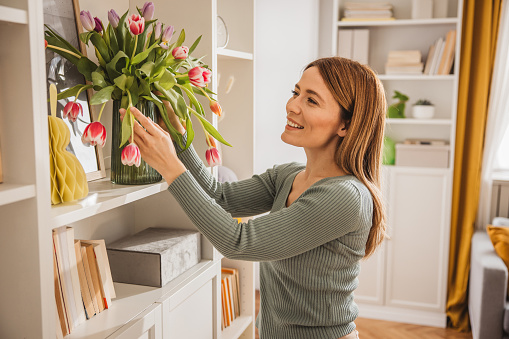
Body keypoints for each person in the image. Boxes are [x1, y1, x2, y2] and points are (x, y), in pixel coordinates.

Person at [121, 57, 387, 339]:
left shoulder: (345, 197)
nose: (292, 106)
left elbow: (238, 242)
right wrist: (178, 137)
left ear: (345, 125)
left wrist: (170, 166)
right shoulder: (290, 176)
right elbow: (220, 196)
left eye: (311, 100)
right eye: (296, 92)